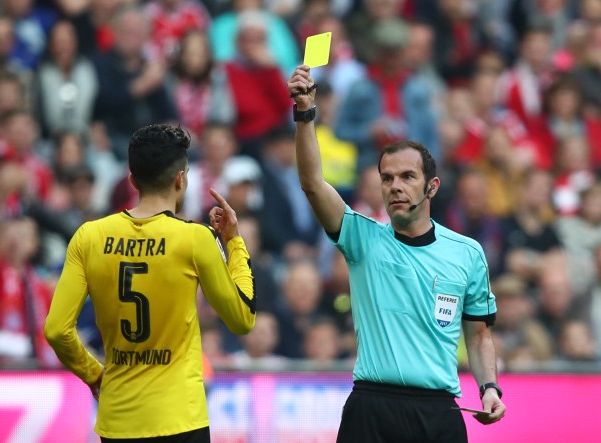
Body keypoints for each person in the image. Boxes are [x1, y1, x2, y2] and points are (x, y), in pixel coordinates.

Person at [287, 65, 506, 443]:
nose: (395, 187)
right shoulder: (361, 238)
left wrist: (489, 387)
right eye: (387, 178)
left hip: (439, 411)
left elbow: (479, 334)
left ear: (432, 187)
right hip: (372, 407)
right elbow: (311, 183)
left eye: (407, 177)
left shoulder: (467, 253)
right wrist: (306, 115)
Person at [44, 123, 256, 442]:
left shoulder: (89, 236)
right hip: (180, 418)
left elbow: (56, 330)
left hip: (118, 420)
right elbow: (242, 320)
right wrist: (234, 242)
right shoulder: (195, 238)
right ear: (181, 179)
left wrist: (95, 375)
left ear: (132, 180)